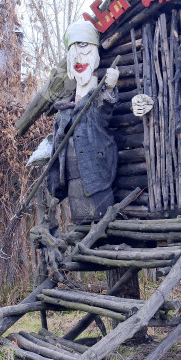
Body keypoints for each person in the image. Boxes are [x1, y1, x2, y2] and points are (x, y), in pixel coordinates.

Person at [47, 21, 119, 222]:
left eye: (85, 51)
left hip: (97, 185)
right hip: (73, 188)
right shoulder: (63, 112)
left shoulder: (95, 101)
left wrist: (109, 89)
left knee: (99, 222)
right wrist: (55, 185)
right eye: (74, 54)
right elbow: (56, 152)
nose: (79, 58)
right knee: (79, 225)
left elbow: (104, 111)